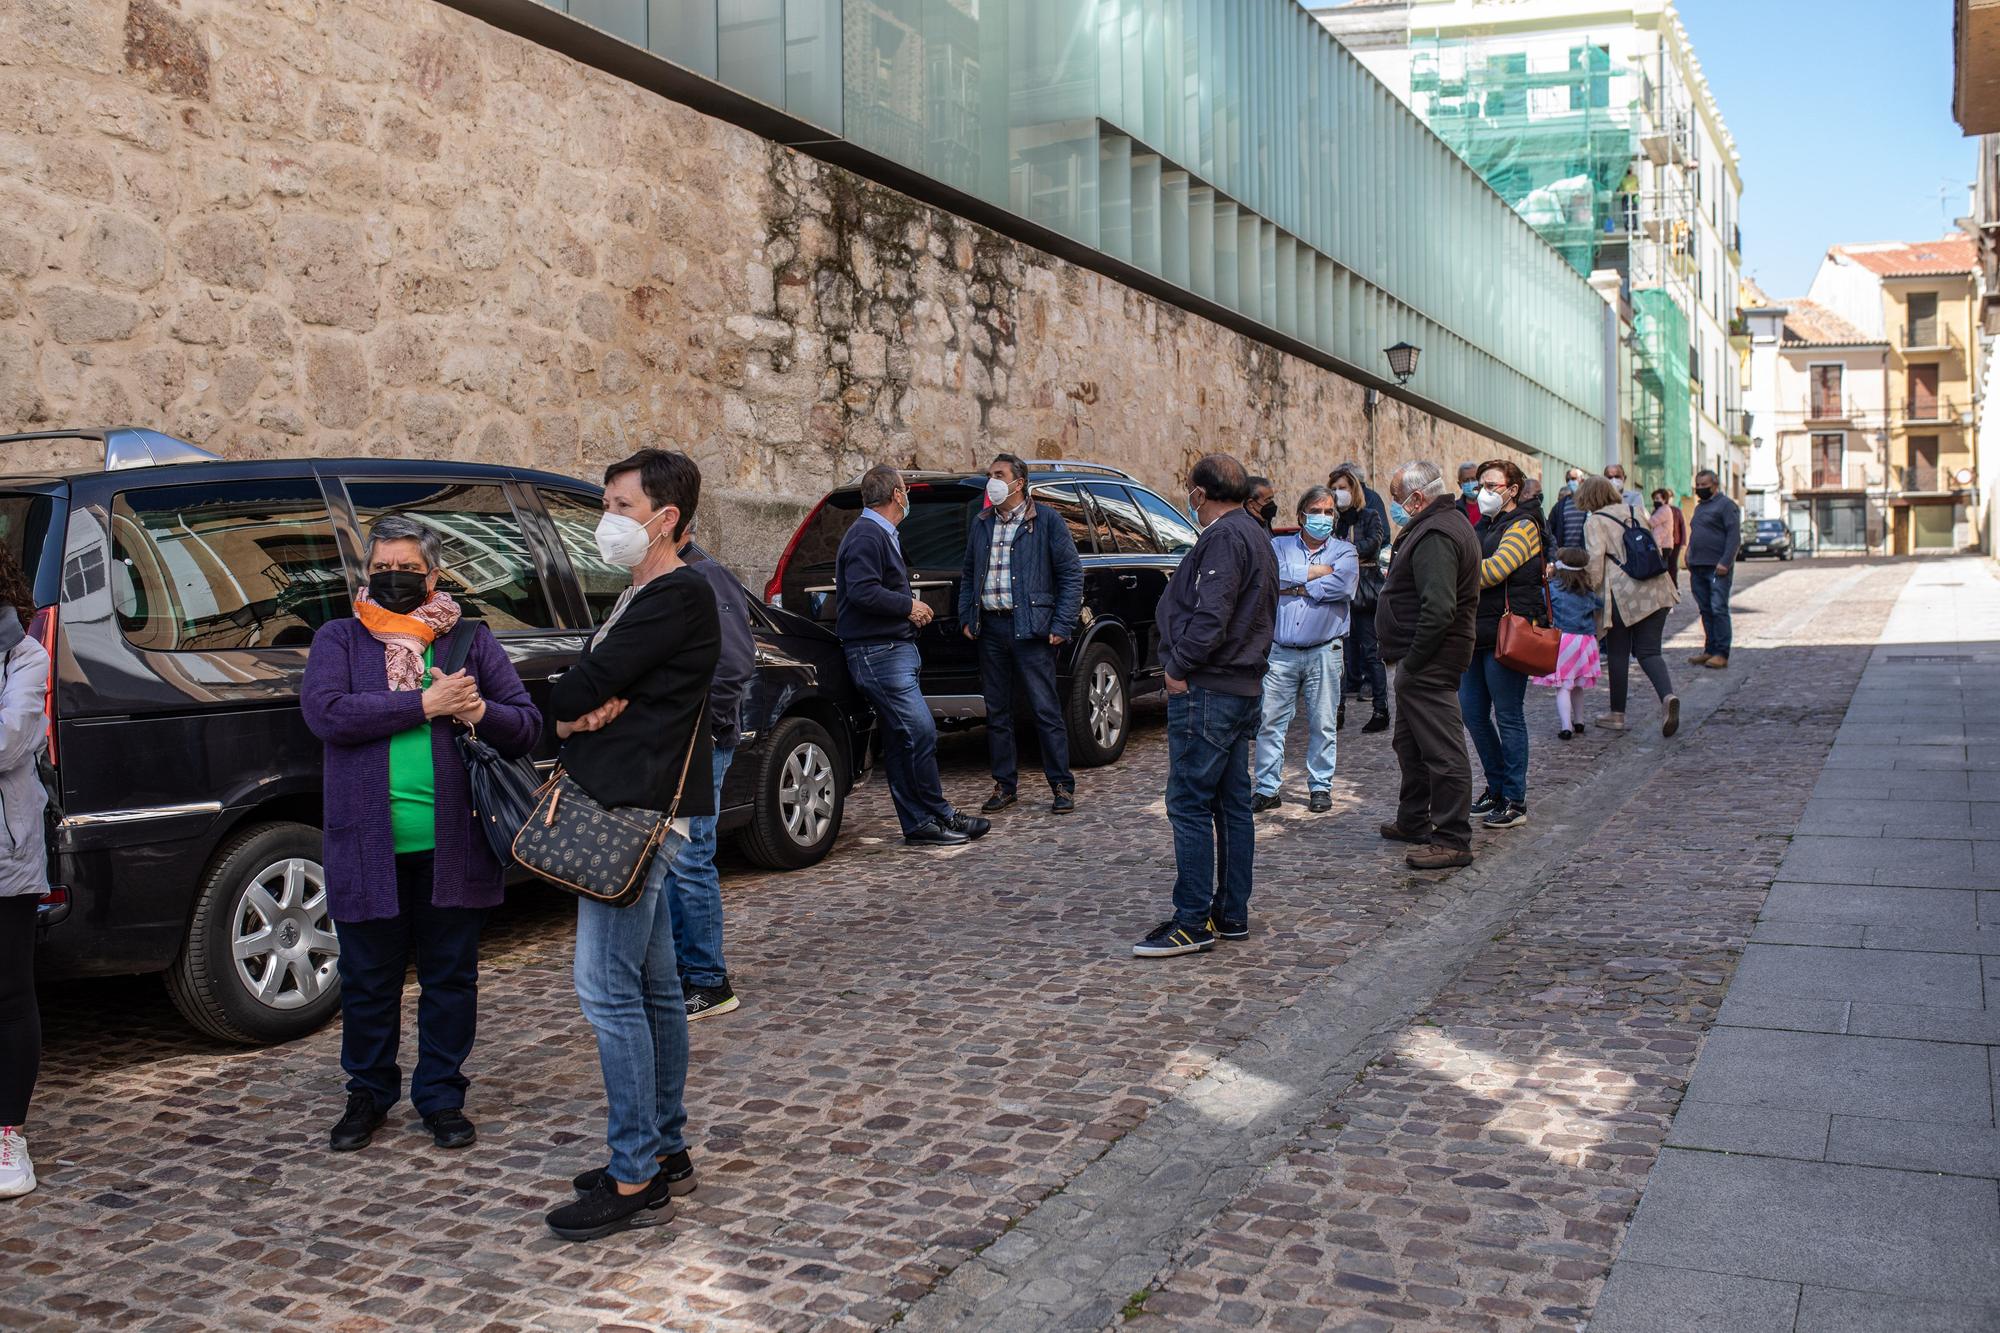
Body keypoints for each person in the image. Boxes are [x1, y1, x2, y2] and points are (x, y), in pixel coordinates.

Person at [301, 516, 541, 1156]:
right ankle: (368, 1094)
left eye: (407, 570)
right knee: (368, 981)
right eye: (383, 568)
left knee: (450, 980)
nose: (393, 579)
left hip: (454, 847)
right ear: (367, 572)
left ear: (432, 575)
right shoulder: (340, 639)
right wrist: (423, 707)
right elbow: (326, 713)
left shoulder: (469, 643)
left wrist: (476, 709)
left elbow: (526, 727)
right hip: (366, 845)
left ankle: (440, 1096)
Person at [543, 449, 720, 1243]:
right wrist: (578, 707)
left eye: (619, 503)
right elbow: (593, 683)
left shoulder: (674, 595)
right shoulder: (648, 592)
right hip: (644, 807)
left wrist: (567, 709)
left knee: (606, 990)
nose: (606, 518)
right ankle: (664, 1145)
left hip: (634, 812)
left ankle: (634, 1172)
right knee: (652, 988)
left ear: (664, 517)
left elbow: (585, 684)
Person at [1133, 454, 1276, 958]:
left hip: (1211, 688)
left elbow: (1212, 614)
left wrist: (1177, 669)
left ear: (1200, 492)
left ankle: (1194, 919)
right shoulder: (1254, 532)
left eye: (1190, 490)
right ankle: (1229, 912)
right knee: (1231, 802)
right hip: (1236, 686)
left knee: (1191, 802)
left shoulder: (1226, 536)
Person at [837, 465, 990, 846]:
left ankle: (932, 818)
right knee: (919, 732)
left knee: (905, 738)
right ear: (896, 495)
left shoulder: (881, 534)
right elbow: (861, 591)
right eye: (905, 491)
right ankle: (931, 816)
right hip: (879, 654)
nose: (908, 497)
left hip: (892, 651)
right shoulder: (866, 536)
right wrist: (907, 606)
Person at [959, 453, 1084, 816]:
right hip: (991, 628)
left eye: (999, 475)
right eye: (989, 475)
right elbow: (969, 573)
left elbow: (1071, 575)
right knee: (997, 711)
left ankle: (1061, 785)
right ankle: (1004, 785)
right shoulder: (982, 522)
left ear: (1019, 482)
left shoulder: (1045, 520)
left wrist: (1062, 624)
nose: (991, 481)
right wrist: (968, 615)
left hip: (1031, 629)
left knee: (1045, 709)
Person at [1375, 460, 1480, 871]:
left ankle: (1452, 837)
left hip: (1430, 660)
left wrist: (1415, 661)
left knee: (1441, 749)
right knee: (1411, 744)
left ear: (1418, 498)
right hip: (1421, 659)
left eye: (1397, 498)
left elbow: (1438, 608)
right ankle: (1413, 818)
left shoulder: (1437, 532)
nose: (1395, 506)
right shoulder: (1437, 525)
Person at [674, 534, 756, 1021]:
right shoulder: (665, 576)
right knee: (673, 859)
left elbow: (734, 663)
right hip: (674, 744)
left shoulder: (704, 575)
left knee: (690, 858)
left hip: (700, 741)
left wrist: (704, 729)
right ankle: (682, 973)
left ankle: (708, 980)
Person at [1253, 487, 1359, 815]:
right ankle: (1267, 788)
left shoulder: (1346, 552)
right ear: (1301, 515)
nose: (1323, 517)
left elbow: (1343, 585)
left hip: (1324, 650)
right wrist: (1315, 575)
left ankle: (1320, 786)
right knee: (1270, 721)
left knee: (1323, 722)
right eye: (1317, 510)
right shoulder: (1277, 546)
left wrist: (1295, 584)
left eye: (1329, 512)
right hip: (1281, 651)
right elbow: (1271, 578)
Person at [0, 549, 50, 1202]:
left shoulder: (23, 655)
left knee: (8, 992)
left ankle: (7, 1130)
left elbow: (10, 739)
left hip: (5, 853)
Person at [1460, 459, 1544, 831]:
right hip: (1478, 632)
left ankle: (1514, 797)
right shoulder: (1483, 525)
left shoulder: (1524, 526)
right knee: (1473, 713)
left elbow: (1494, 570)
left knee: (1508, 715)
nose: (1484, 492)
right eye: (1481, 485)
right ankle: (1495, 787)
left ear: (1512, 490)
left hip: (1508, 634)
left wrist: (1454, 573)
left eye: (1492, 485)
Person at [1578, 476, 1682, 737]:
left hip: (1622, 594)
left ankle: (1617, 714)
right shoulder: (1636, 510)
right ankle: (1667, 696)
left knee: (1618, 652)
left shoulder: (1595, 520)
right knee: (1649, 652)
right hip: (1657, 587)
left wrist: (1587, 590)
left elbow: (1594, 562)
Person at [1331, 463, 1390, 734]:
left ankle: (1381, 709)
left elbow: (1373, 545)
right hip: (1339, 592)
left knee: (1370, 651)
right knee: (1339, 654)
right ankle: (1338, 710)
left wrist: (1342, 553)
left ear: (1353, 489)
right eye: (1333, 488)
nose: (1337, 492)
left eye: (1342, 488)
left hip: (1365, 593)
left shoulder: (1370, 516)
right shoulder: (1333, 520)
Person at [1531, 547, 1603, 741]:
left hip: (1563, 640)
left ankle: (1566, 726)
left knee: (1563, 686)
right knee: (1578, 684)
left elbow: (1542, 605)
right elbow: (1600, 605)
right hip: (1586, 642)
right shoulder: (1588, 592)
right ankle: (1579, 721)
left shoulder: (1553, 588)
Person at [1685, 470, 1740, 670]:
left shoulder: (1726, 506)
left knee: (1718, 608)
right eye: (1697, 485)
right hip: (1698, 567)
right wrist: (1689, 553)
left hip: (1717, 568)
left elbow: (1734, 536)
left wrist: (1726, 562)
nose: (1700, 489)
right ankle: (1709, 649)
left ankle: (1721, 653)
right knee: (1705, 610)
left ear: (1715, 484)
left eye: (1704, 485)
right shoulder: (1700, 508)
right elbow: (1696, 533)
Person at [1544, 466, 1589, 552]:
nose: (1570, 482)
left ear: (1582, 480)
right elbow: (1549, 531)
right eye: (1568, 479)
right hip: (1564, 556)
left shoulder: (1590, 503)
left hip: (1585, 556)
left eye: (1573, 478)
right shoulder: (1560, 506)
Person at [1650, 488, 1688, 589]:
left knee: (1671, 566)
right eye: (1654, 498)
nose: (1655, 501)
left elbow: (1682, 526)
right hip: (1665, 542)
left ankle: (1673, 587)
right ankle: (1669, 588)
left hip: (1672, 541)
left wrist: (1683, 542)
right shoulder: (1658, 510)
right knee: (1665, 567)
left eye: (1658, 498)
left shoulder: (1671, 510)